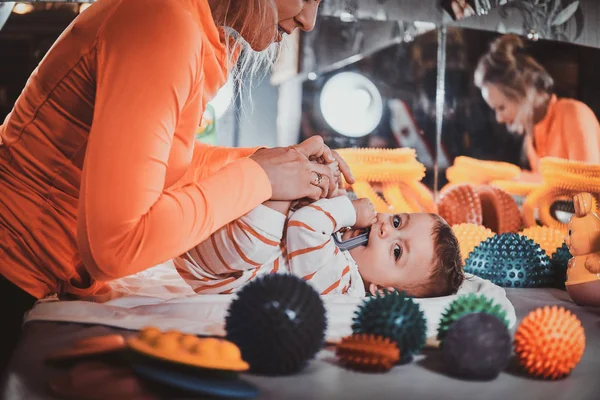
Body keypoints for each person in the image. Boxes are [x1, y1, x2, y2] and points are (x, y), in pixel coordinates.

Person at [0, 0, 352, 373]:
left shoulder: (185, 21)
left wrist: (274, 162)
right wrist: (261, 177)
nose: (309, 21)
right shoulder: (163, 19)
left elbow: (159, 161)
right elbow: (117, 247)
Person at [175, 189, 464, 298]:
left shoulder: (340, 284)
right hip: (214, 236)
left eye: (397, 251)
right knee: (286, 190)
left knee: (278, 200)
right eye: (398, 221)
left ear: (382, 291)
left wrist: (347, 209)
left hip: (221, 272)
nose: (385, 229)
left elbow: (304, 226)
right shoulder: (347, 250)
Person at [474, 34, 600, 176]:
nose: (499, 119)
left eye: (501, 107)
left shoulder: (574, 113)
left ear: (525, 90)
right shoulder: (530, 137)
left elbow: (587, 188)